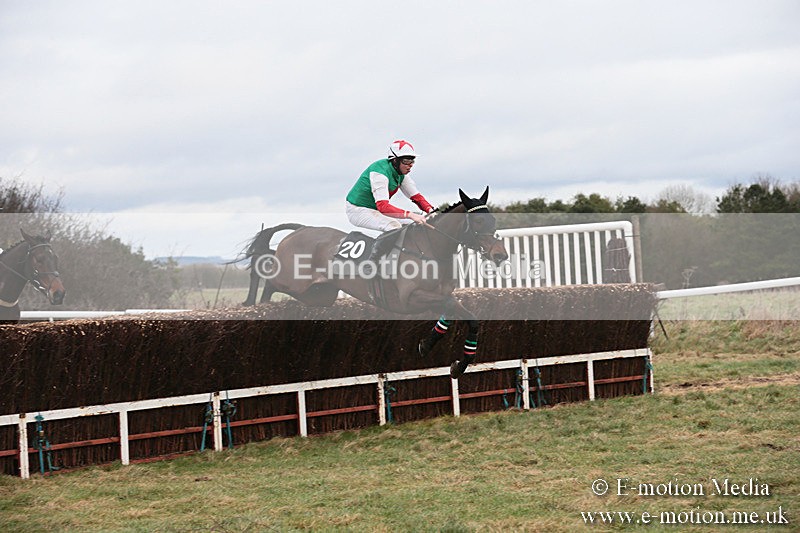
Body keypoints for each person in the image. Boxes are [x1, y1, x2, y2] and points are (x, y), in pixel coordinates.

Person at [345, 140, 435, 261]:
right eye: (406, 160)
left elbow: (416, 197)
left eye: (412, 160)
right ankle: (372, 262)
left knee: (417, 223)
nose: (410, 165)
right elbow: (383, 207)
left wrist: (432, 210)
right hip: (357, 210)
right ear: (395, 160)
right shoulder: (379, 174)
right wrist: (410, 214)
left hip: (375, 210)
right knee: (394, 226)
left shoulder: (401, 174)